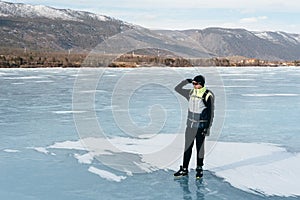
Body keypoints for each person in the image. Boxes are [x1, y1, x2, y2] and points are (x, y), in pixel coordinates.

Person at [173, 75, 214, 179]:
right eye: (193, 84)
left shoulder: (207, 95)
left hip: (201, 127)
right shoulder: (190, 93)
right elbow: (177, 88)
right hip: (190, 126)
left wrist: (207, 128)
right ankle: (184, 169)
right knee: (187, 148)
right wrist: (186, 81)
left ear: (201, 84)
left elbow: (210, 113)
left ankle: (199, 169)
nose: (194, 85)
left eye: (196, 84)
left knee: (199, 148)